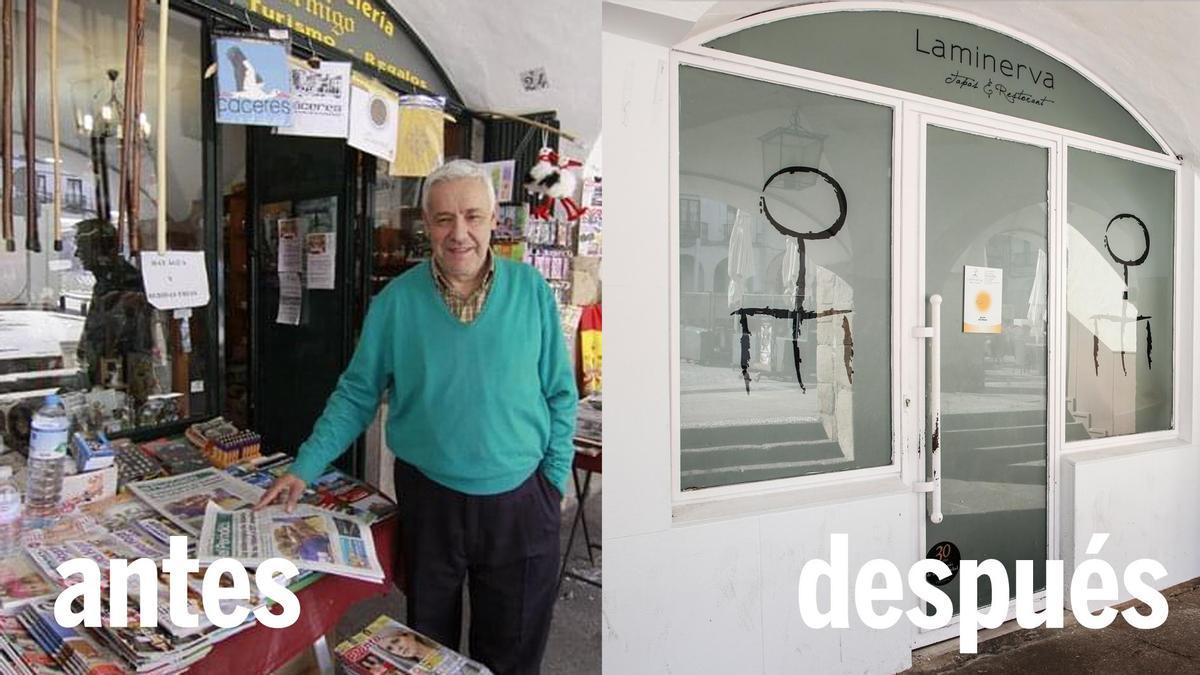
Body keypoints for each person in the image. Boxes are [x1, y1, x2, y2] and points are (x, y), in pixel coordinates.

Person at [256, 159, 578, 675]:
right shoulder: (397, 302)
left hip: (521, 502)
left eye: (472, 216)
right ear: (425, 224)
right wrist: (305, 467)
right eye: (444, 219)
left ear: (494, 219)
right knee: (427, 650)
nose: (460, 233)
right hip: (431, 500)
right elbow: (356, 393)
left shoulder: (531, 291)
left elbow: (562, 394)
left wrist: (552, 482)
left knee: (513, 653)